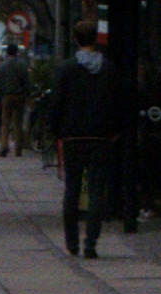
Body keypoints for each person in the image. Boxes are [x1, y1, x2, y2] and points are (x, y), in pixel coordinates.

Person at [47, 19, 120, 257]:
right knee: (97, 189)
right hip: (100, 136)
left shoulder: (67, 69)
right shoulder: (108, 69)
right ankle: (91, 243)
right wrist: (114, 130)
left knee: (72, 189)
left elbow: (57, 102)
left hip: (73, 136)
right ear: (96, 38)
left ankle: (72, 242)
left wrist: (56, 130)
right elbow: (117, 102)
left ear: (76, 39)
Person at [0, 44, 32, 157]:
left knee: (5, 123)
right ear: (16, 52)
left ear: (7, 53)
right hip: (19, 96)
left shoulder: (2, 66)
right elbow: (27, 82)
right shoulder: (22, 65)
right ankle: (18, 149)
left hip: (6, 97)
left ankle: (4, 145)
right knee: (18, 123)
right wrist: (28, 96)